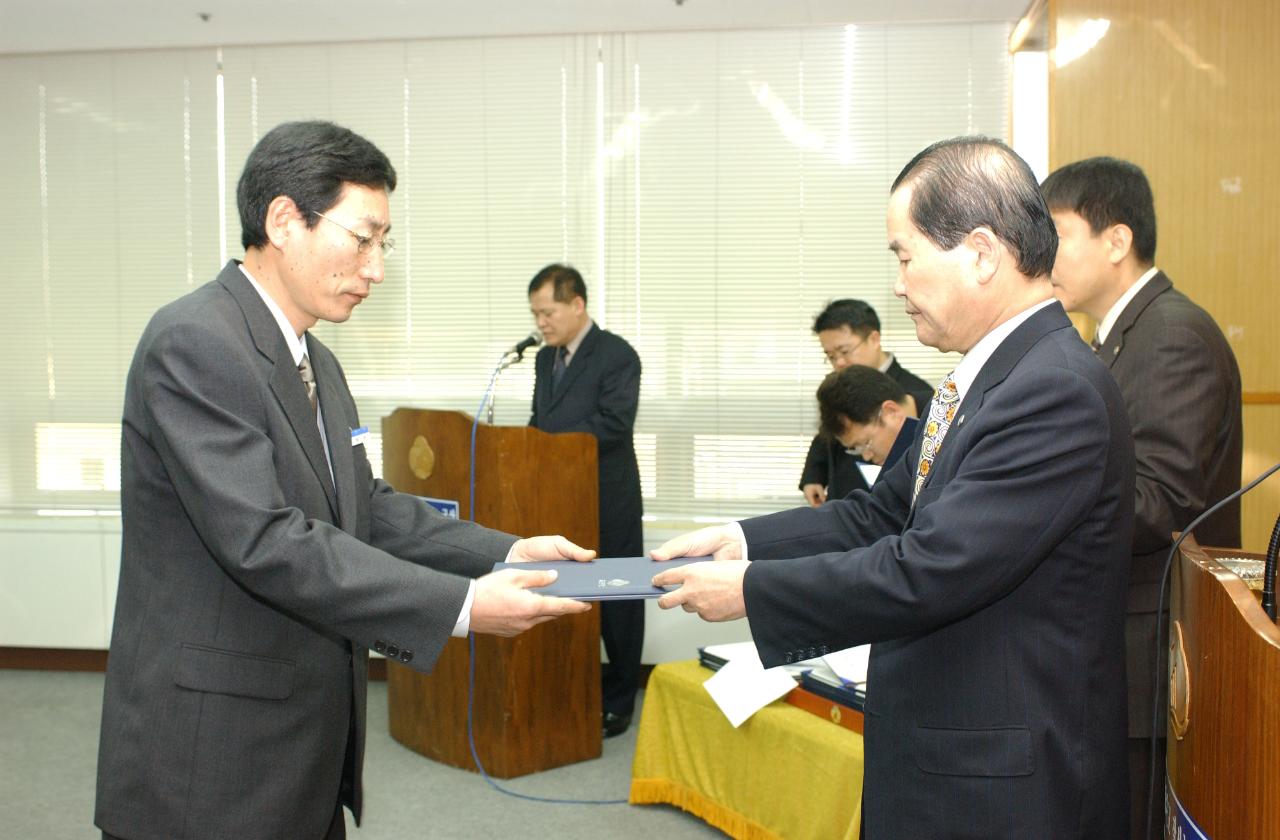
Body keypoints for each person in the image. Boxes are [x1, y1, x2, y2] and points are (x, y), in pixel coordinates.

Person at [95, 121, 594, 840]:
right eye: (362, 239)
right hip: (213, 759)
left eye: (384, 244)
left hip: (304, 742)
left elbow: (368, 508)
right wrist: (461, 605)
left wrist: (505, 553)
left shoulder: (317, 362)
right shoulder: (196, 340)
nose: (377, 269)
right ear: (283, 220)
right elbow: (266, 540)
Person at [652, 137, 1135, 839]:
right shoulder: (984, 378)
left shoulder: (1052, 390)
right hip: (951, 747)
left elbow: (930, 568)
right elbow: (883, 513)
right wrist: (742, 540)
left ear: (980, 252)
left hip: (1004, 783)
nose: (899, 285)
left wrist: (752, 589)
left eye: (905, 257)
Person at [1041, 155, 1243, 839]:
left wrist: (1032, 518)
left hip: (1150, 644)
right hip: (1116, 637)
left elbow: (1159, 501)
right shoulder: (1118, 340)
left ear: (1116, 241)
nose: (1043, 255)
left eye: (1057, 235)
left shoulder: (1172, 334)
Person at [527, 264, 644, 738]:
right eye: (535, 314)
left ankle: (618, 700)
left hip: (606, 496)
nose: (541, 323)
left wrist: (550, 444)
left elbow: (613, 425)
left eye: (548, 312)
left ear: (577, 305)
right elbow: (540, 418)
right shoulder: (542, 359)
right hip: (556, 496)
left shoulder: (617, 355)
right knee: (564, 593)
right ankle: (573, 688)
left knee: (617, 600)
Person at [800, 299, 933, 506]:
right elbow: (830, 431)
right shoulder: (839, 386)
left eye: (844, 352)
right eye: (831, 356)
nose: (839, 362)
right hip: (841, 503)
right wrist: (814, 472)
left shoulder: (915, 395)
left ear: (874, 339)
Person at [814, 364, 919, 480]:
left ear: (891, 412)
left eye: (866, 443)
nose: (866, 457)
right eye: (856, 448)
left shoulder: (940, 427)